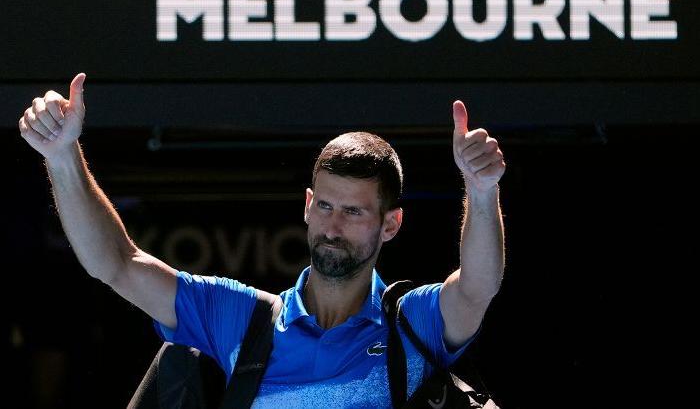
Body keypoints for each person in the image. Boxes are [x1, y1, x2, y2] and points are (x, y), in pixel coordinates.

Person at [18, 73, 506, 407]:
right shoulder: (240, 319)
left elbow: (477, 286)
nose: (332, 227)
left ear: (391, 224)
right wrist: (62, 156)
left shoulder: (411, 325)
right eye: (325, 206)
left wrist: (482, 191)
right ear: (308, 205)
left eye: (354, 212)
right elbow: (117, 264)